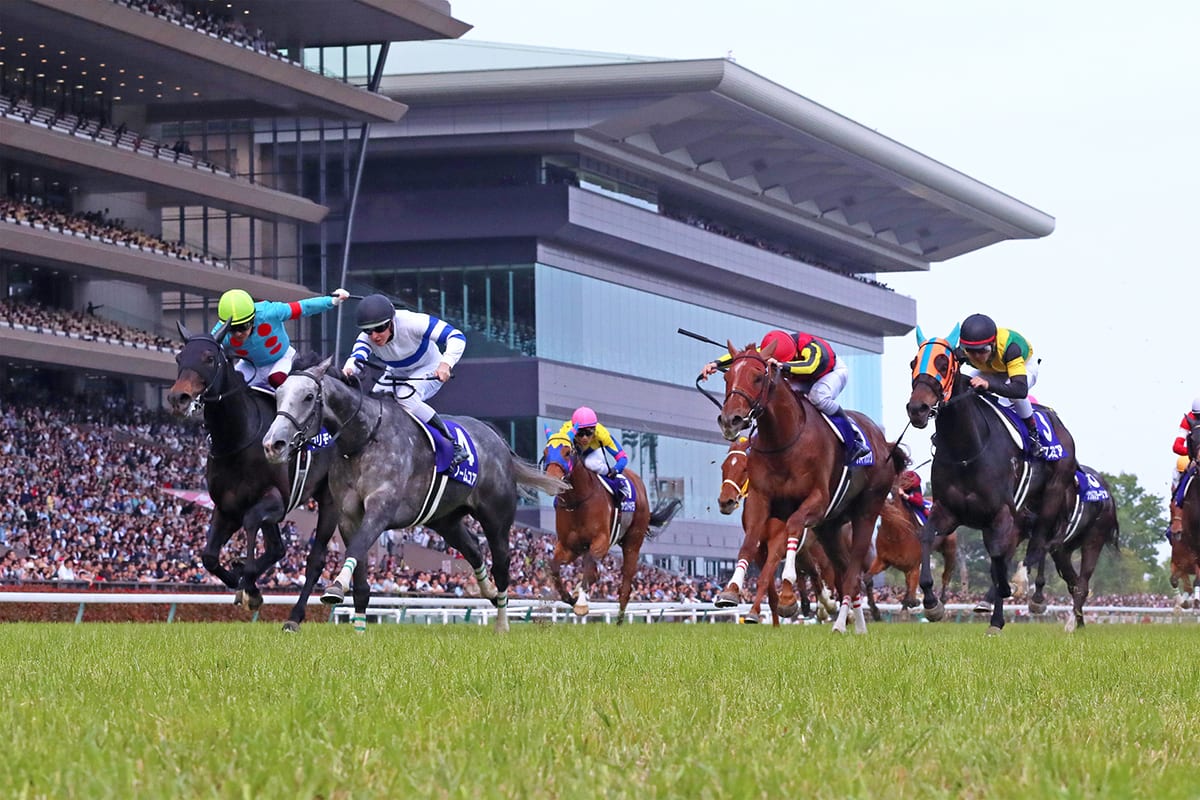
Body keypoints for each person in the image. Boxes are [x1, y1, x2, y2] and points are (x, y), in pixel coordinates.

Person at [700, 329, 869, 462]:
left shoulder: (815, 350)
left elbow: (810, 367)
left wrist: (783, 365)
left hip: (827, 373)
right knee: (775, 398)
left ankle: (854, 440)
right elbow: (744, 357)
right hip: (797, 373)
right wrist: (714, 364)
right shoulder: (772, 347)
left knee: (818, 397)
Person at [342, 293, 467, 466]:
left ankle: (452, 444)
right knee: (371, 404)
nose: (375, 336)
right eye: (368, 331)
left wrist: (446, 364)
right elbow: (357, 358)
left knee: (405, 396)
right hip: (396, 371)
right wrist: (347, 370)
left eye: (380, 328)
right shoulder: (367, 339)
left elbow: (456, 336)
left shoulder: (412, 322)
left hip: (429, 367)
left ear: (391, 321)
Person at [213, 287, 348, 390]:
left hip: (281, 358)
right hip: (250, 365)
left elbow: (304, 307)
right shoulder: (220, 333)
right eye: (232, 329)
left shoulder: (270, 312)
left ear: (253, 319)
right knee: (229, 388)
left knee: (277, 379)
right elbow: (205, 348)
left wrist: (331, 300)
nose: (238, 334)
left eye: (243, 327)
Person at [956, 312, 1044, 457]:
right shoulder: (962, 352)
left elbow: (1020, 390)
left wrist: (989, 385)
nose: (977, 357)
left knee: (1014, 396)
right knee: (963, 386)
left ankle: (1033, 434)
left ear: (993, 343)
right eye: (971, 352)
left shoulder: (1011, 348)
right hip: (992, 368)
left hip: (1024, 366)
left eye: (982, 351)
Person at [552, 406, 628, 499]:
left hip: (593, 453)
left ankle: (615, 484)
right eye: (580, 433)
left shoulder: (602, 434)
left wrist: (615, 470)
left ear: (595, 430)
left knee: (590, 464)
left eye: (588, 433)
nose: (584, 438)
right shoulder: (565, 433)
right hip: (575, 455)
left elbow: (622, 457)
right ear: (573, 430)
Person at [1167, 397, 1200, 539]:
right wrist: (1193, 452)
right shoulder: (1188, 419)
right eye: (1198, 416)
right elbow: (1177, 446)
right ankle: (1176, 520)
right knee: (1182, 471)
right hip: (1196, 460)